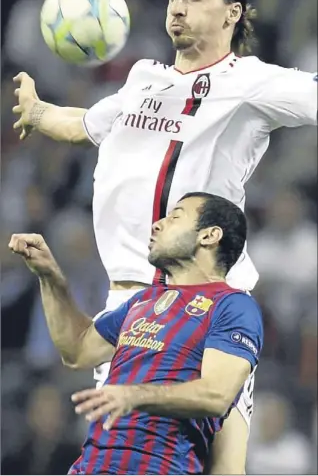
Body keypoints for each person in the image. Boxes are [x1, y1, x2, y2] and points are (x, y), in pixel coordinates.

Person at [12, 0, 316, 469]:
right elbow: (85, 123)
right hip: (129, 307)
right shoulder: (143, 79)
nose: (177, 6)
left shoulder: (252, 81)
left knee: (223, 464)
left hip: (209, 300)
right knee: (122, 457)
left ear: (232, 13)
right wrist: (39, 112)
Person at [9, 192, 264, 475]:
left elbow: (216, 395)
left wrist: (135, 395)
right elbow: (78, 350)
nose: (157, 224)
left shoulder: (233, 306)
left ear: (209, 236)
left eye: (175, 217)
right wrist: (50, 277)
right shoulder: (144, 301)